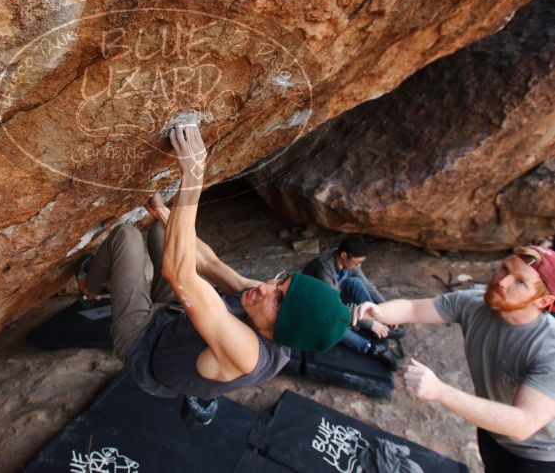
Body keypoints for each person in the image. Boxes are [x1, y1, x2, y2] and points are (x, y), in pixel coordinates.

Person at [78, 124, 351, 425]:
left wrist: (193, 177)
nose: (266, 288)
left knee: (127, 237)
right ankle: (147, 255)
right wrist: (161, 211)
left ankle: (89, 288)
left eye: (278, 298)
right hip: (175, 319)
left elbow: (179, 273)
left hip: (145, 346)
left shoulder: (249, 354)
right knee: (160, 232)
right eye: (280, 281)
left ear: (282, 330)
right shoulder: (262, 300)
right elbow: (209, 263)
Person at [352, 246, 555, 472]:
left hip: (540, 457)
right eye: (504, 269)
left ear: (543, 300)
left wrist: (440, 391)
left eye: (520, 282)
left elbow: (523, 424)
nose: (502, 281)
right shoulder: (475, 304)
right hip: (491, 432)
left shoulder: (549, 349)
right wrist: (377, 312)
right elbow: (414, 309)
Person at [303, 236, 403, 368]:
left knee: (355, 283)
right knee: (333, 321)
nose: (359, 266)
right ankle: (370, 348)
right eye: (357, 263)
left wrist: (385, 310)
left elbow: (367, 286)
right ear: (344, 255)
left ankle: (377, 318)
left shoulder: (347, 259)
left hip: (333, 296)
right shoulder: (323, 269)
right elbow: (335, 308)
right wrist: (369, 323)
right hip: (314, 307)